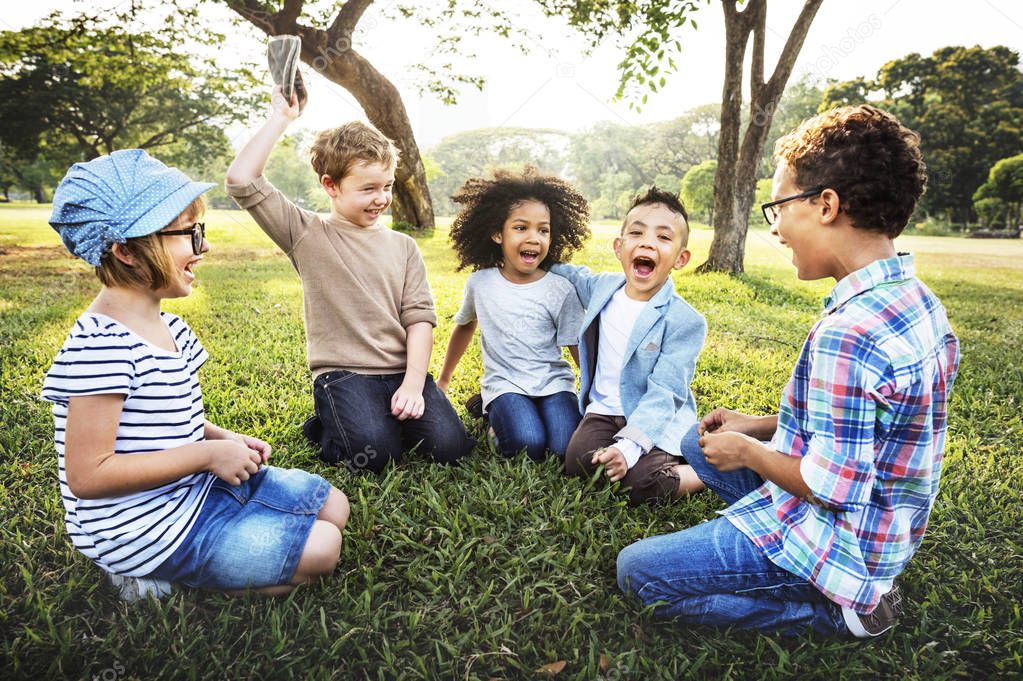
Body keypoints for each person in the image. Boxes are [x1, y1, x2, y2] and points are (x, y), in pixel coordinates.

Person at [616, 105, 960, 637]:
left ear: (825, 205)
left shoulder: (851, 332)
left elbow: (835, 489)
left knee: (639, 573)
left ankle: (837, 613)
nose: (775, 229)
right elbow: (869, 426)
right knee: (694, 441)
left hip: (840, 542)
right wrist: (757, 426)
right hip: (884, 529)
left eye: (777, 207)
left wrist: (749, 452)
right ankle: (761, 534)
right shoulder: (915, 300)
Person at [42, 149, 348, 600]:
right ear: (126, 250)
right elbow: (90, 474)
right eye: (189, 233)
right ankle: (164, 583)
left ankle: (210, 556)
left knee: (334, 508)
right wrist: (205, 457)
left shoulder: (169, 327)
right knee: (323, 549)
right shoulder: (102, 346)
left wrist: (221, 439)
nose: (204, 248)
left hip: (192, 491)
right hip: (143, 529)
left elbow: (163, 421)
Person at [225, 86, 474, 474]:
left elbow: (420, 321)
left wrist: (412, 385)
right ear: (330, 185)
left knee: (450, 447)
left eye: (387, 186)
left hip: (400, 371)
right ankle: (329, 422)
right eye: (368, 189)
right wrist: (282, 118)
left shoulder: (404, 246)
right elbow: (241, 180)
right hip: (343, 374)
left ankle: (381, 417)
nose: (381, 198)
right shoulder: (305, 232)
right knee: (376, 455)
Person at [550, 187, 707, 505]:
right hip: (604, 412)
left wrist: (628, 447)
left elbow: (665, 392)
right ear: (619, 247)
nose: (648, 242)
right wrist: (533, 257)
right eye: (637, 233)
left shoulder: (685, 320)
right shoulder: (602, 287)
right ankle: (624, 455)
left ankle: (702, 470)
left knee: (639, 484)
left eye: (663, 238)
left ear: (681, 258)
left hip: (654, 416)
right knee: (578, 463)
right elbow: (570, 273)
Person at [436, 168, 589, 462]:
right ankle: (493, 416)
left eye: (543, 230)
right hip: (506, 384)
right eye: (521, 228)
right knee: (527, 444)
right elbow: (465, 326)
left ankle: (500, 412)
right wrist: (444, 379)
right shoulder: (480, 283)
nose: (534, 237)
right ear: (497, 233)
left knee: (562, 448)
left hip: (554, 383)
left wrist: (597, 391)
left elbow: (574, 344)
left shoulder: (561, 288)